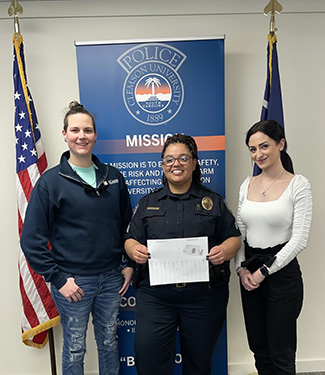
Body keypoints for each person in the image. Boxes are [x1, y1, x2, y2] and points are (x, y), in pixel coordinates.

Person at [20, 101, 133, 375]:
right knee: (74, 347)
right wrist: (59, 280)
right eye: (75, 130)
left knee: (108, 342)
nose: (81, 136)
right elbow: (31, 239)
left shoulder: (113, 177)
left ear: (95, 135)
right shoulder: (51, 182)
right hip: (73, 283)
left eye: (88, 130)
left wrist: (128, 264)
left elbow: (127, 227)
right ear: (64, 134)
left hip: (110, 278)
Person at [125, 133, 241, 375]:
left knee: (199, 363)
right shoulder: (147, 203)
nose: (175, 164)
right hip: (156, 297)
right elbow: (130, 239)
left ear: (194, 162)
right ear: (162, 165)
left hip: (203, 297)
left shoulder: (213, 201)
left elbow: (234, 238)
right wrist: (134, 250)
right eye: (169, 159)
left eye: (183, 158)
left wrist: (224, 251)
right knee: (148, 360)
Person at [235, 120, 313, 375]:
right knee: (259, 349)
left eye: (264, 146)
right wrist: (241, 269)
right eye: (252, 149)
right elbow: (240, 231)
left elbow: (299, 239)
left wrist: (263, 272)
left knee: (281, 352)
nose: (258, 154)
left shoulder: (298, 184)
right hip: (249, 275)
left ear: (281, 144)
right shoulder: (246, 185)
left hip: (282, 276)